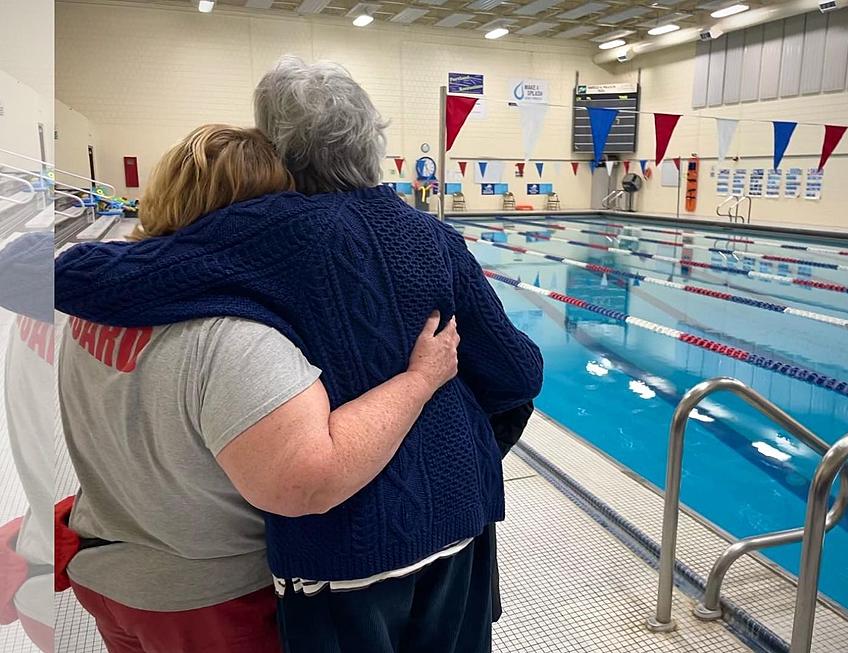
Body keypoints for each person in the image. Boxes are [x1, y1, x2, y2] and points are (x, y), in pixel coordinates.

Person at [56, 57, 544, 653]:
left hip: (347, 549)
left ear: (274, 144)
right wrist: (470, 441)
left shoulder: (260, 234)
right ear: (373, 138)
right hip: (461, 516)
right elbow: (518, 373)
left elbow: (84, 277)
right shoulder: (431, 236)